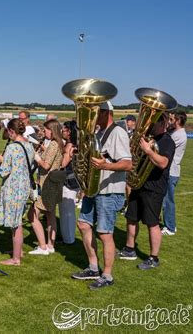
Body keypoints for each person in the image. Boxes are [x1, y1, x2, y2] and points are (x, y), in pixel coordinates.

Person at [71, 101, 131, 290]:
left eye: (95, 113)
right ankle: (93, 267)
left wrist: (105, 166)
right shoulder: (97, 133)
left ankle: (107, 275)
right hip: (93, 189)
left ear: (105, 113)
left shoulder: (118, 132)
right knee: (83, 224)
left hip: (110, 191)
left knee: (105, 233)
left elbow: (127, 164)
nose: (92, 117)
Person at [119, 113, 175, 270]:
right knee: (131, 218)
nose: (150, 126)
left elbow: (163, 163)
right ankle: (129, 249)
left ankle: (153, 257)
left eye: (154, 123)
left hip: (154, 187)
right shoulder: (147, 137)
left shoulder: (167, 141)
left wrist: (148, 151)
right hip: (139, 183)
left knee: (152, 223)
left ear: (162, 123)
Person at [0, 119, 35, 266]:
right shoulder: (29, 145)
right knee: (18, 220)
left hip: (14, 187)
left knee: (16, 224)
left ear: (12, 131)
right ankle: (18, 251)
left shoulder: (12, 148)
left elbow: (4, 172)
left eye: (8, 132)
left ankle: (16, 259)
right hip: (24, 185)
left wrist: (0, 160)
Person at [28, 119, 64, 255]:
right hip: (53, 183)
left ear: (52, 130)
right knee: (50, 214)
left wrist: (36, 156)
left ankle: (43, 246)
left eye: (46, 130)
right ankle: (50, 245)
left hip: (47, 183)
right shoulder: (58, 144)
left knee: (32, 214)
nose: (44, 132)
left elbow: (46, 165)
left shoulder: (54, 144)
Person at [162, 111, 187, 235]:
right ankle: (168, 224)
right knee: (165, 199)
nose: (170, 122)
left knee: (168, 200)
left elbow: (164, 145)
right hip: (171, 170)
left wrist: (165, 127)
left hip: (171, 172)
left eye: (172, 120)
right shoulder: (176, 133)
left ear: (178, 121)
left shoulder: (178, 135)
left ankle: (170, 227)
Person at [58, 120, 80, 245]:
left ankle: (68, 238)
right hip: (71, 181)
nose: (62, 131)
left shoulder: (70, 145)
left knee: (67, 211)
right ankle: (67, 237)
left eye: (64, 129)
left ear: (69, 131)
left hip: (68, 182)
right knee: (66, 211)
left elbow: (63, 164)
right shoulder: (72, 144)